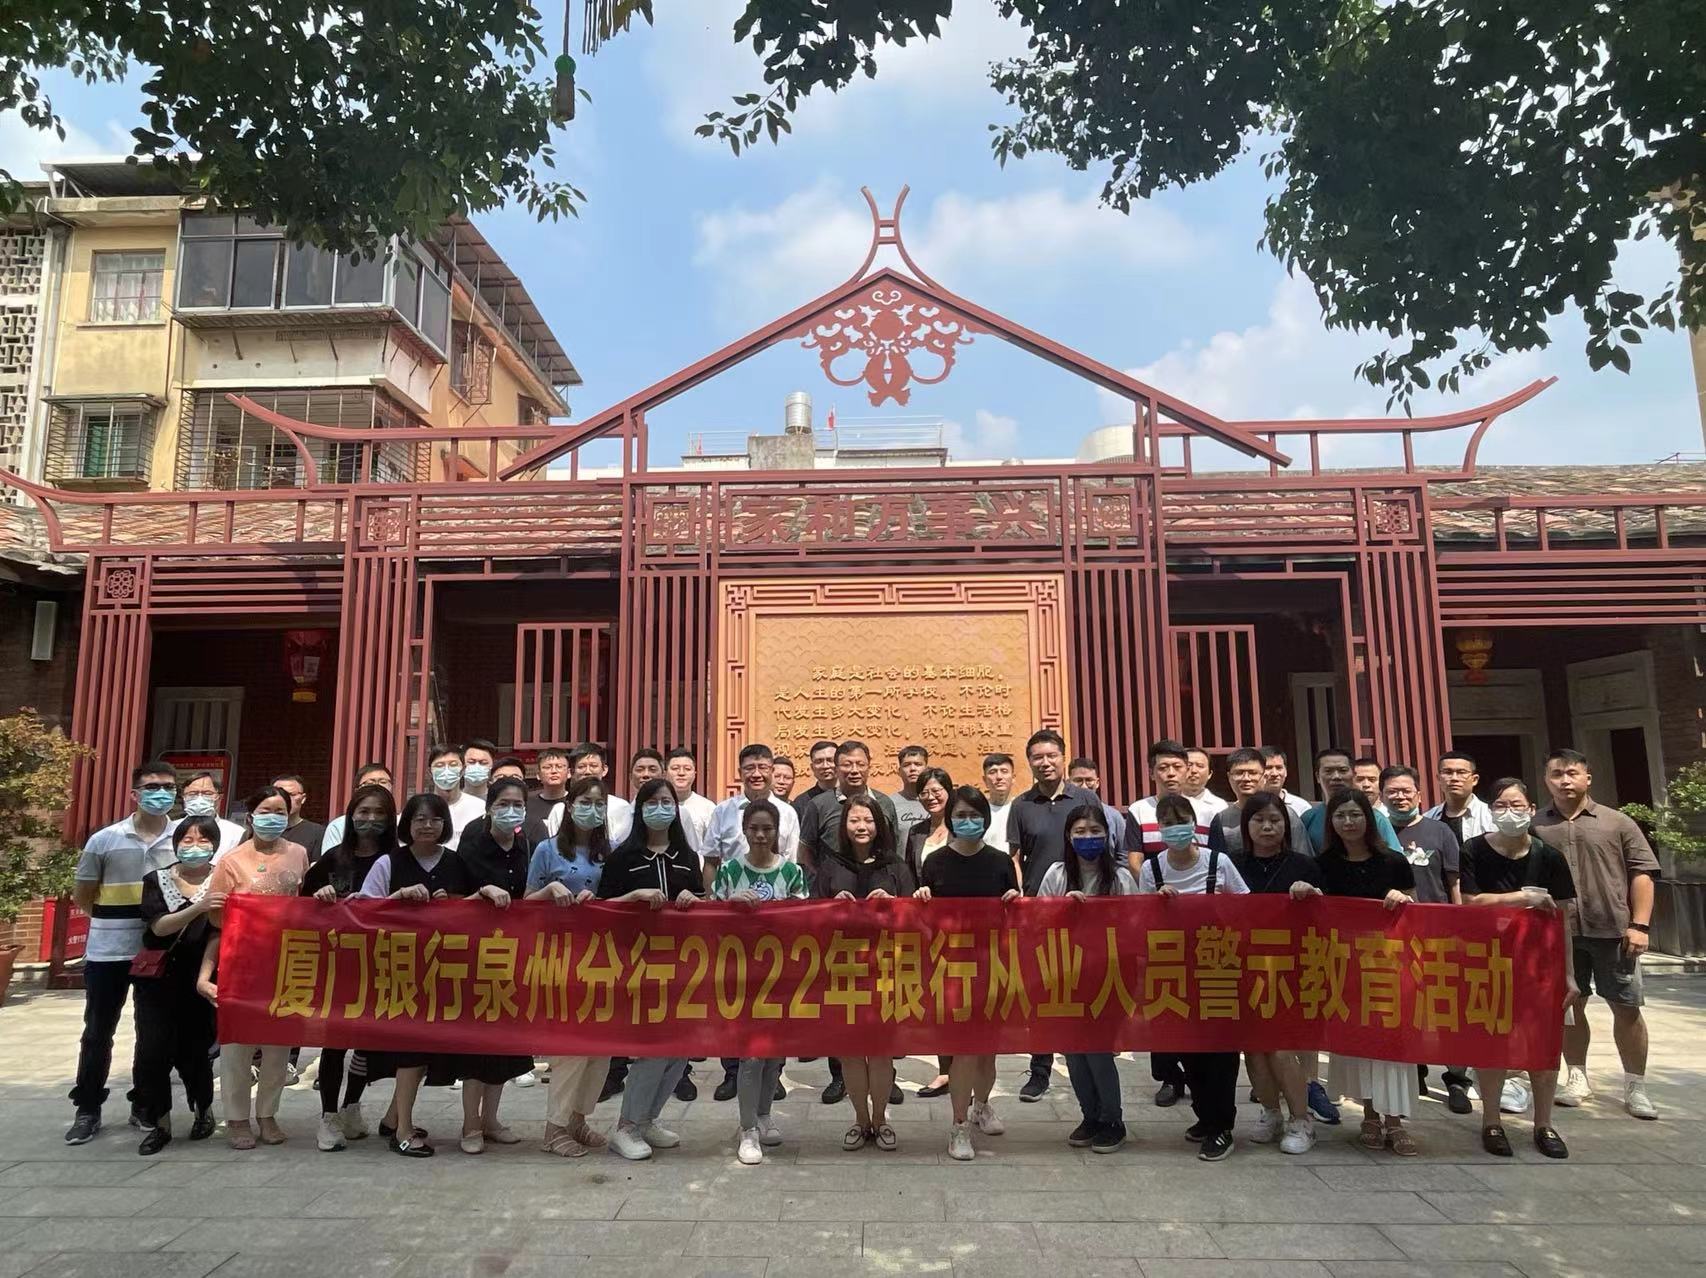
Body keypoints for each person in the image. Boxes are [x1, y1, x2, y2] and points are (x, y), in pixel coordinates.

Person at [354, 792, 488, 1157]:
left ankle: (392, 1117)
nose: (428, 826)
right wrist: (397, 897)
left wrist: (455, 903)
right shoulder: (388, 862)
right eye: (419, 819)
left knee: (425, 1052)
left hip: (444, 971)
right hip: (401, 971)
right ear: (407, 824)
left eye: (435, 819)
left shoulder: (456, 862)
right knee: (410, 1051)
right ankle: (404, 1130)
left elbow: (473, 912)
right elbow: (361, 910)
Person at [1534, 748, 1662, 1121]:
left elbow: (1642, 873)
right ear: (1547, 780)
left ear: (1588, 778)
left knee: (1626, 1006)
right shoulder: (1536, 826)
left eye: (1572, 773)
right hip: (1560, 932)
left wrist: (1640, 925)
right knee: (1570, 1007)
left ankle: (1635, 1084)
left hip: (1613, 930)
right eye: (1556, 774)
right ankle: (1577, 1077)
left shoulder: (1617, 822)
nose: (1565, 780)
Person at [1460, 777, 1578, 1159]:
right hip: (1489, 959)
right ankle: (1491, 1121)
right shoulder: (1473, 849)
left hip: (1540, 963)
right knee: (1492, 1041)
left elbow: (1563, 920)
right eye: (1501, 805)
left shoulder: (1549, 857)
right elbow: (1470, 902)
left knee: (1543, 1044)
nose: (1509, 812)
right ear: (1490, 810)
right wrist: (1520, 897)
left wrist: (1569, 974)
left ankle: (1543, 1124)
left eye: (1516, 805)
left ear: (1531, 809)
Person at [65, 759, 181, 1145]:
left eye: (168, 787)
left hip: (155, 952)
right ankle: (88, 1107)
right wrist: (113, 922)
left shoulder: (182, 838)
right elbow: (84, 895)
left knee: (152, 1034)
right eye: (152, 787)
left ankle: (144, 1103)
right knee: (98, 1031)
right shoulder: (105, 840)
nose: (161, 793)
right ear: (134, 794)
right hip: (107, 952)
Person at [1297, 790, 1419, 1156]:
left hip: (1389, 965)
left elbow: (1416, 910)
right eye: (1340, 816)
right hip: (1345, 967)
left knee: (1392, 1044)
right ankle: (1369, 1115)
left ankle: (1395, 1120)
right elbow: (1315, 912)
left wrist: (1403, 899)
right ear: (1330, 823)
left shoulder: (1394, 861)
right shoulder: (1322, 864)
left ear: (1369, 818)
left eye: (1355, 814)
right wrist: (1305, 891)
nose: (1348, 822)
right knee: (1360, 1042)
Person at [1137, 793, 1251, 1161]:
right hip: (1174, 970)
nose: (1176, 829)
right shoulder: (1151, 870)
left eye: (1182, 821)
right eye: (1168, 823)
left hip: (1217, 967)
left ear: (1194, 823)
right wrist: (1158, 905)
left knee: (1220, 1051)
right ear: (1159, 828)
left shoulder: (1219, 862)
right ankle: (1205, 1115)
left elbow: (1247, 907)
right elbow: (1139, 921)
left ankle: (1222, 1126)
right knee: (1188, 1048)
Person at [598, 776, 704, 1161]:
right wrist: (634, 895)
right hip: (636, 965)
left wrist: (694, 899)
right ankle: (625, 1127)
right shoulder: (622, 858)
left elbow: (705, 909)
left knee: (680, 1050)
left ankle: (647, 1120)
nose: (661, 808)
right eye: (652, 802)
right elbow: (601, 910)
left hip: (681, 966)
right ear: (639, 809)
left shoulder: (687, 857)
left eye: (667, 801)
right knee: (652, 1050)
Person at [914, 785, 1019, 1161]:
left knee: (987, 1051)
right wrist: (922, 901)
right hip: (951, 969)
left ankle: (981, 1106)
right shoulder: (935, 862)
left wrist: (1015, 902)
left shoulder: (1000, 861)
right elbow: (923, 923)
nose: (968, 821)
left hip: (993, 966)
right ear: (950, 819)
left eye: (975, 815)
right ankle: (959, 1126)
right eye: (961, 815)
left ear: (985, 819)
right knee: (963, 1050)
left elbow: (1016, 915)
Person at [201, 786, 309, 1149]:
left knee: (279, 1045)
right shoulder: (231, 861)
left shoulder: (299, 854)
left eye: (280, 811)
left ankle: (267, 1114)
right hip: (243, 963)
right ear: (250, 816)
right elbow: (216, 917)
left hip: (286, 962)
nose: (272, 818)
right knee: (238, 1046)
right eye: (265, 811)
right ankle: (236, 1118)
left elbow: (303, 904)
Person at [702, 744, 803, 1102]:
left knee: (774, 1000)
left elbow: (791, 864)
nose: (756, 773)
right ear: (740, 770)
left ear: (773, 770)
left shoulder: (788, 812)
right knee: (732, 1000)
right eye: (749, 767)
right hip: (734, 925)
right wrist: (715, 905)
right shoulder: (723, 811)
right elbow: (711, 860)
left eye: (763, 766)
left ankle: (774, 1072)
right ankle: (732, 1072)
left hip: (775, 931)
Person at [712, 799, 809, 1164]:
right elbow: (709, 920)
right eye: (754, 828)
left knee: (774, 1056)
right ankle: (748, 1128)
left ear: (777, 831)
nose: (761, 835)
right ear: (744, 830)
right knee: (751, 1056)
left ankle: (765, 1115)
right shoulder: (729, 870)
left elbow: (804, 919)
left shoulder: (793, 872)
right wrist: (730, 904)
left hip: (781, 977)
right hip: (742, 977)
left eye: (767, 828)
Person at [817, 795, 916, 1151]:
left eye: (868, 820)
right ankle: (860, 1120)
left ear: (880, 825)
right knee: (851, 1052)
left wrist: (894, 906)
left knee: (881, 1051)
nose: (862, 827)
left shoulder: (895, 866)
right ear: (844, 826)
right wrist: (832, 908)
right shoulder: (830, 865)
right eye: (855, 820)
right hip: (843, 969)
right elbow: (811, 917)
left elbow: (916, 918)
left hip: (887, 967)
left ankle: (880, 1119)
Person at [301, 782, 396, 1151]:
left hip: (382, 962)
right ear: (351, 815)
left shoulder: (396, 859)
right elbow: (301, 906)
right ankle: (328, 1117)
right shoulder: (332, 860)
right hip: (339, 963)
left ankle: (352, 1106)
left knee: (367, 1041)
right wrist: (319, 897)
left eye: (379, 813)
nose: (370, 819)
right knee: (335, 1042)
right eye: (363, 812)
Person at [1038, 801, 1136, 1153]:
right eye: (1080, 831)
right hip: (1065, 975)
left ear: (1108, 835)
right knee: (1073, 1052)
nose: (1088, 837)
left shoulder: (1121, 878)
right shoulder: (1056, 874)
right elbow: (1037, 922)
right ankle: (1090, 1116)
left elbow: (1135, 927)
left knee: (1097, 1051)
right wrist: (1062, 909)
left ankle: (1113, 1120)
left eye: (1095, 831)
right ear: (1068, 836)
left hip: (1108, 977)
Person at [1381, 763, 1479, 1113]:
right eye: (1392, 791)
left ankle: (1457, 1078)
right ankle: (1415, 1069)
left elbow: (1454, 882)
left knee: (1446, 1006)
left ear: (1419, 795)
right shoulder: (1377, 832)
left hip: (1437, 932)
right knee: (1405, 1004)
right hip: (1393, 935)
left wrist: (1461, 924)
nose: (1399, 797)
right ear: (1382, 796)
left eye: (1406, 791)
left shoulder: (1440, 832)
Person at [1228, 792, 1320, 1154]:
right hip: (1242, 967)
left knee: (1282, 1048)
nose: (1267, 827)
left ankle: (1302, 1119)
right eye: (1259, 820)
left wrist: (1311, 894)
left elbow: (1325, 917)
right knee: (1254, 1048)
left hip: (1289, 969)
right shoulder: (1231, 864)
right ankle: (1271, 1113)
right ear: (1246, 826)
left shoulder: (1304, 865)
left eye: (1275, 820)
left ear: (1286, 824)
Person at [1009, 728, 1098, 1102]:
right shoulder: (1022, 804)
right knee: (1042, 989)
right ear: (1029, 762)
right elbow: (1015, 856)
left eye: (1051, 756)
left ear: (1063, 758)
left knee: (1085, 985)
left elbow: (1099, 842)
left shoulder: (1085, 797)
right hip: (1040, 909)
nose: (1045, 763)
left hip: (1084, 907)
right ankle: (1040, 1070)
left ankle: (1089, 1062)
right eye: (1037, 757)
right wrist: (1022, 897)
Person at [451, 777, 536, 1153]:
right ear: (489, 807)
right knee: (477, 1045)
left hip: (512, 952)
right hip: (476, 953)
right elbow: (455, 900)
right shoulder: (473, 842)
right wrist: (482, 891)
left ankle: (491, 1120)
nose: (511, 810)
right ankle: (470, 1123)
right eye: (503, 804)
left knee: (504, 1044)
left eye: (518, 804)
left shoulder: (523, 844)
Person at [527, 777, 610, 1158]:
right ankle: (554, 1127)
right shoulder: (546, 850)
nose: (592, 809)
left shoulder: (609, 852)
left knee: (601, 1048)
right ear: (570, 805)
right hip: (559, 957)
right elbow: (526, 903)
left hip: (601, 959)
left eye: (599, 803)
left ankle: (578, 1119)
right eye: (585, 801)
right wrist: (549, 891)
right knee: (571, 1048)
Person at [130, 814, 223, 1155]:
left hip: (200, 979)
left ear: (215, 845)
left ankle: (203, 1111)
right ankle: (161, 1123)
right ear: (176, 843)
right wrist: (198, 907)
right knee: (152, 1051)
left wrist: (204, 978)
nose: (195, 846)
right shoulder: (156, 879)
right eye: (187, 840)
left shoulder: (222, 880)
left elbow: (219, 932)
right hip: (157, 980)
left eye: (203, 840)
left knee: (196, 1051)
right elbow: (158, 927)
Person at [1128, 740, 1212, 1107]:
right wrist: (1154, 885)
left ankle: (1200, 1074)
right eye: (1163, 767)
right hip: (1159, 921)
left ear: (1189, 769)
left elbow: (1215, 859)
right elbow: (1134, 857)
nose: (1171, 773)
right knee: (1162, 1001)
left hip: (1202, 931)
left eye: (1178, 766)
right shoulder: (1139, 810)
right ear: (1152, 772)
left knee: (1199, 1003)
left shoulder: (1210, 810)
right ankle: (1168, 1077)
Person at [902, 765, 956, 1098]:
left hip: (963, 927)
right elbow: (910, 875)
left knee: (962, 998)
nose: (931, 797)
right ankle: (946, 1070)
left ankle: (969, 1069)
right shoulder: (916, 832)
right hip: (927, 927)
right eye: (924, 792)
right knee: (939, 1000)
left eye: (937, 790)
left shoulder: (963, 826)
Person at [798, 740, 899, 872]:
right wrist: (820, 879)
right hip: (833, 882)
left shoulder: (884, 803)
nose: (854, 770)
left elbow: (893, 847)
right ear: (836, 769)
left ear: (869, 766)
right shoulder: (818, 804)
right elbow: (805, 850)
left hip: (878, 881)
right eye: (847, 765)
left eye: (860, 764)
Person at [1208, 748, 1313, 857]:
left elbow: (1303, 858)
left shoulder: (1287, 814)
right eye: (1239, 773)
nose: (1246, 778)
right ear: (1229, 777)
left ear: (1264, 776)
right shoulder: (1222, 819)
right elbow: (1217, 863)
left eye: (1253, 773)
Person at [1301, 748, 1400, 852]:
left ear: (1353, 774)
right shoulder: (1308, 818)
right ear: (1317, 777)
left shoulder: (1376, 818)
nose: (1336, 777)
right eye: (1328, 771)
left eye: (1343, 770)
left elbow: (1394, 858)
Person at [320, 761, 394, 856]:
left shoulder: (403, 823)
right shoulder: (338, 826)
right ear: (357, 790)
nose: (377, 787)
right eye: (370, 783)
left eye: (383, 782)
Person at [570, 742, 634, 844]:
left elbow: (623, 844)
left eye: (593, 766)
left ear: (604, 770)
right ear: (572, 772)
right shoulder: (559, 809)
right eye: (581, 766)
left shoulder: (620, 807)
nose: (587, 771)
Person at [1425, 751, 1493, 846]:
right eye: (1448, 772)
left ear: (1474, 779)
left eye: (1461, 772)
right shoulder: (1427, 818)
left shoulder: (1491, 816)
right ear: (1439, 778)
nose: (1454, 778)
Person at [427, 743, 486, 850]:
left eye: (453, 765)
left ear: (463, 770)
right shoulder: (420, 807)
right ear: (430, 772)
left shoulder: (480, 808)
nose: (446, 770)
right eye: (439, 765)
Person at [179, 771, 245, 855]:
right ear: (184, 797)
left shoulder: (236, 833)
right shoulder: (171, 830)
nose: (200, 798)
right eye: (193, 794)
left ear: (220, 797)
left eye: (207, 793)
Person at [1067, 756, 1129, 846]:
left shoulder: (1113, 816)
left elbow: (1124, 852)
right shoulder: (1062, 813)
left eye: (1089, 780)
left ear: (1097, 783)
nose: (1084, 786)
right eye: (1078, 780)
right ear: (1068, 782)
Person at [666, 749, 719, 854]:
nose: (681, 773)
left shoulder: (707, 807)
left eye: (687, 769)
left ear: (694, 774)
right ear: (665, 773)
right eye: (675, 768)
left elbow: (713, 847)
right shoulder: (657, 806)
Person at [271, 773, 325, 861]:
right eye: (279, 794)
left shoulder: (317, 833)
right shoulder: (259, 829)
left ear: (303, 798)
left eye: (290, 794)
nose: (284, 799)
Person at [525, 746, 573, 841]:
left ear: (569, 773)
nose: (554, 771)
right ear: (538, 775)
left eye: (559, 767)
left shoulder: (575, 802)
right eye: (547, 767)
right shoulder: (526, 802)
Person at [889, 745, 930, 850]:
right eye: (906, 765)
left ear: (926, 769)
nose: (912, 769)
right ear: (899, 771)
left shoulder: (937, 802)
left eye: (918, 764)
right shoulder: (889, 803)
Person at [1259, 747, 1313, 820]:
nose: (1274, 773)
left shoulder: (1302, 807)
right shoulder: (1248, 804)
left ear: (1286, 772)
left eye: (1279, 768)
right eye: (1268, 768)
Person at [792, 739, 839, 821]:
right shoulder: (801, 803)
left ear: (839, 763)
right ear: (812, 767)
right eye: (819, 761)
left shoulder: (852, 796)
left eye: (830, 760)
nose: (825, 766)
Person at [982, 752, 1017, 852]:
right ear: (985, 780)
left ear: (1013, 778)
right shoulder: (979, 811)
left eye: (1004, 771)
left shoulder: (1021, 809)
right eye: (992, 772)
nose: (999, 777)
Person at [1183, 748, 1228, 819]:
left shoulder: (1220, 806)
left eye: (1200, 766)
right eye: (1188, 765)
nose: (1194, 770)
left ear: (1210, 774)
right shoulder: (1167, 802)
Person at [461, 738, 498, 803]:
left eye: (483, 763)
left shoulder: (498, 800)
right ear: (462, 764)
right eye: (471, 762)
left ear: (492, 765)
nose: (477, 766)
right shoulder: (451, 800)